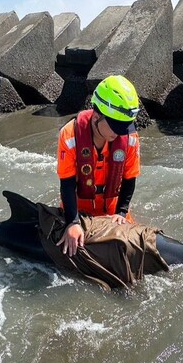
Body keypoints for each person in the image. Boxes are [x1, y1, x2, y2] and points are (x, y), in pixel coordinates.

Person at [56, 75, 141, 256]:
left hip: (113, 210)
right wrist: (72, 222)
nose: (119, 133)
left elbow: (129, 178)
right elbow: (67, 183)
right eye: (115, 126)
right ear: (96, 116)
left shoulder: (130, 137)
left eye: (124, 126)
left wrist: (121, 212)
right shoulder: (70, 135)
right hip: (79, 209)